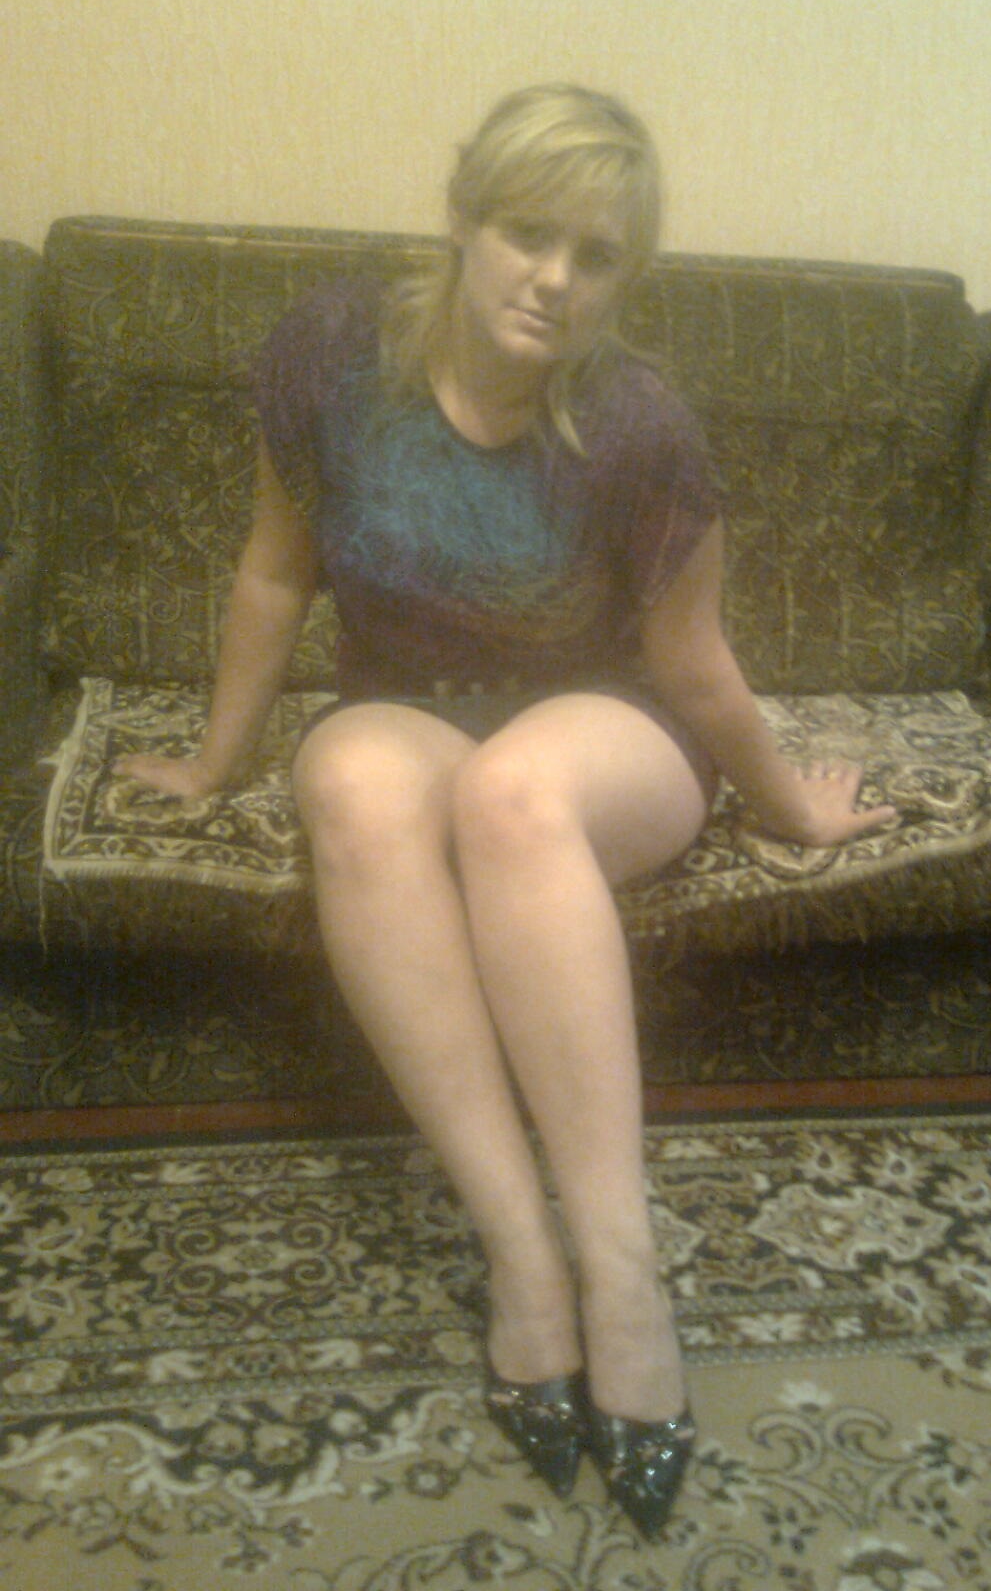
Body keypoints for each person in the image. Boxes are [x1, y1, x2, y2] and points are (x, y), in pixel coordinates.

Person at [115, 83, 895, 1537]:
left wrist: (793, 806)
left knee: (512, 793)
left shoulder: (641, 425)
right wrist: (217, 763)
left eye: (597, 256)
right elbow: (276, 569)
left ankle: (623, 1274)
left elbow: (696, 663)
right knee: (351, 785)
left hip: (611, 729)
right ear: (465, 220)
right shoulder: (334, 356)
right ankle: (521, 1258)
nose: (555, 280)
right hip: (408, 708)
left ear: (627, 277)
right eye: (529, 234)